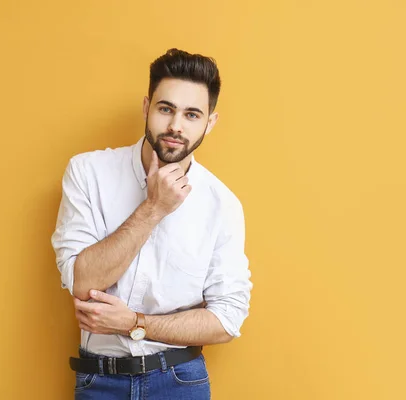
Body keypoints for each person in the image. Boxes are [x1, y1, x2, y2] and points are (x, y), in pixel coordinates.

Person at [51, 48, 253, 399]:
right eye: (166, 109)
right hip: (99, 380)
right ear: (147, 108)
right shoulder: (88, 173)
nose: (176, 125)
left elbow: (227, 319)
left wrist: (135, 324)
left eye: (192, 114)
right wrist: (154, 208)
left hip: (179, 379)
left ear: (210, 122)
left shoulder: (222, 205)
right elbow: (83, 282)